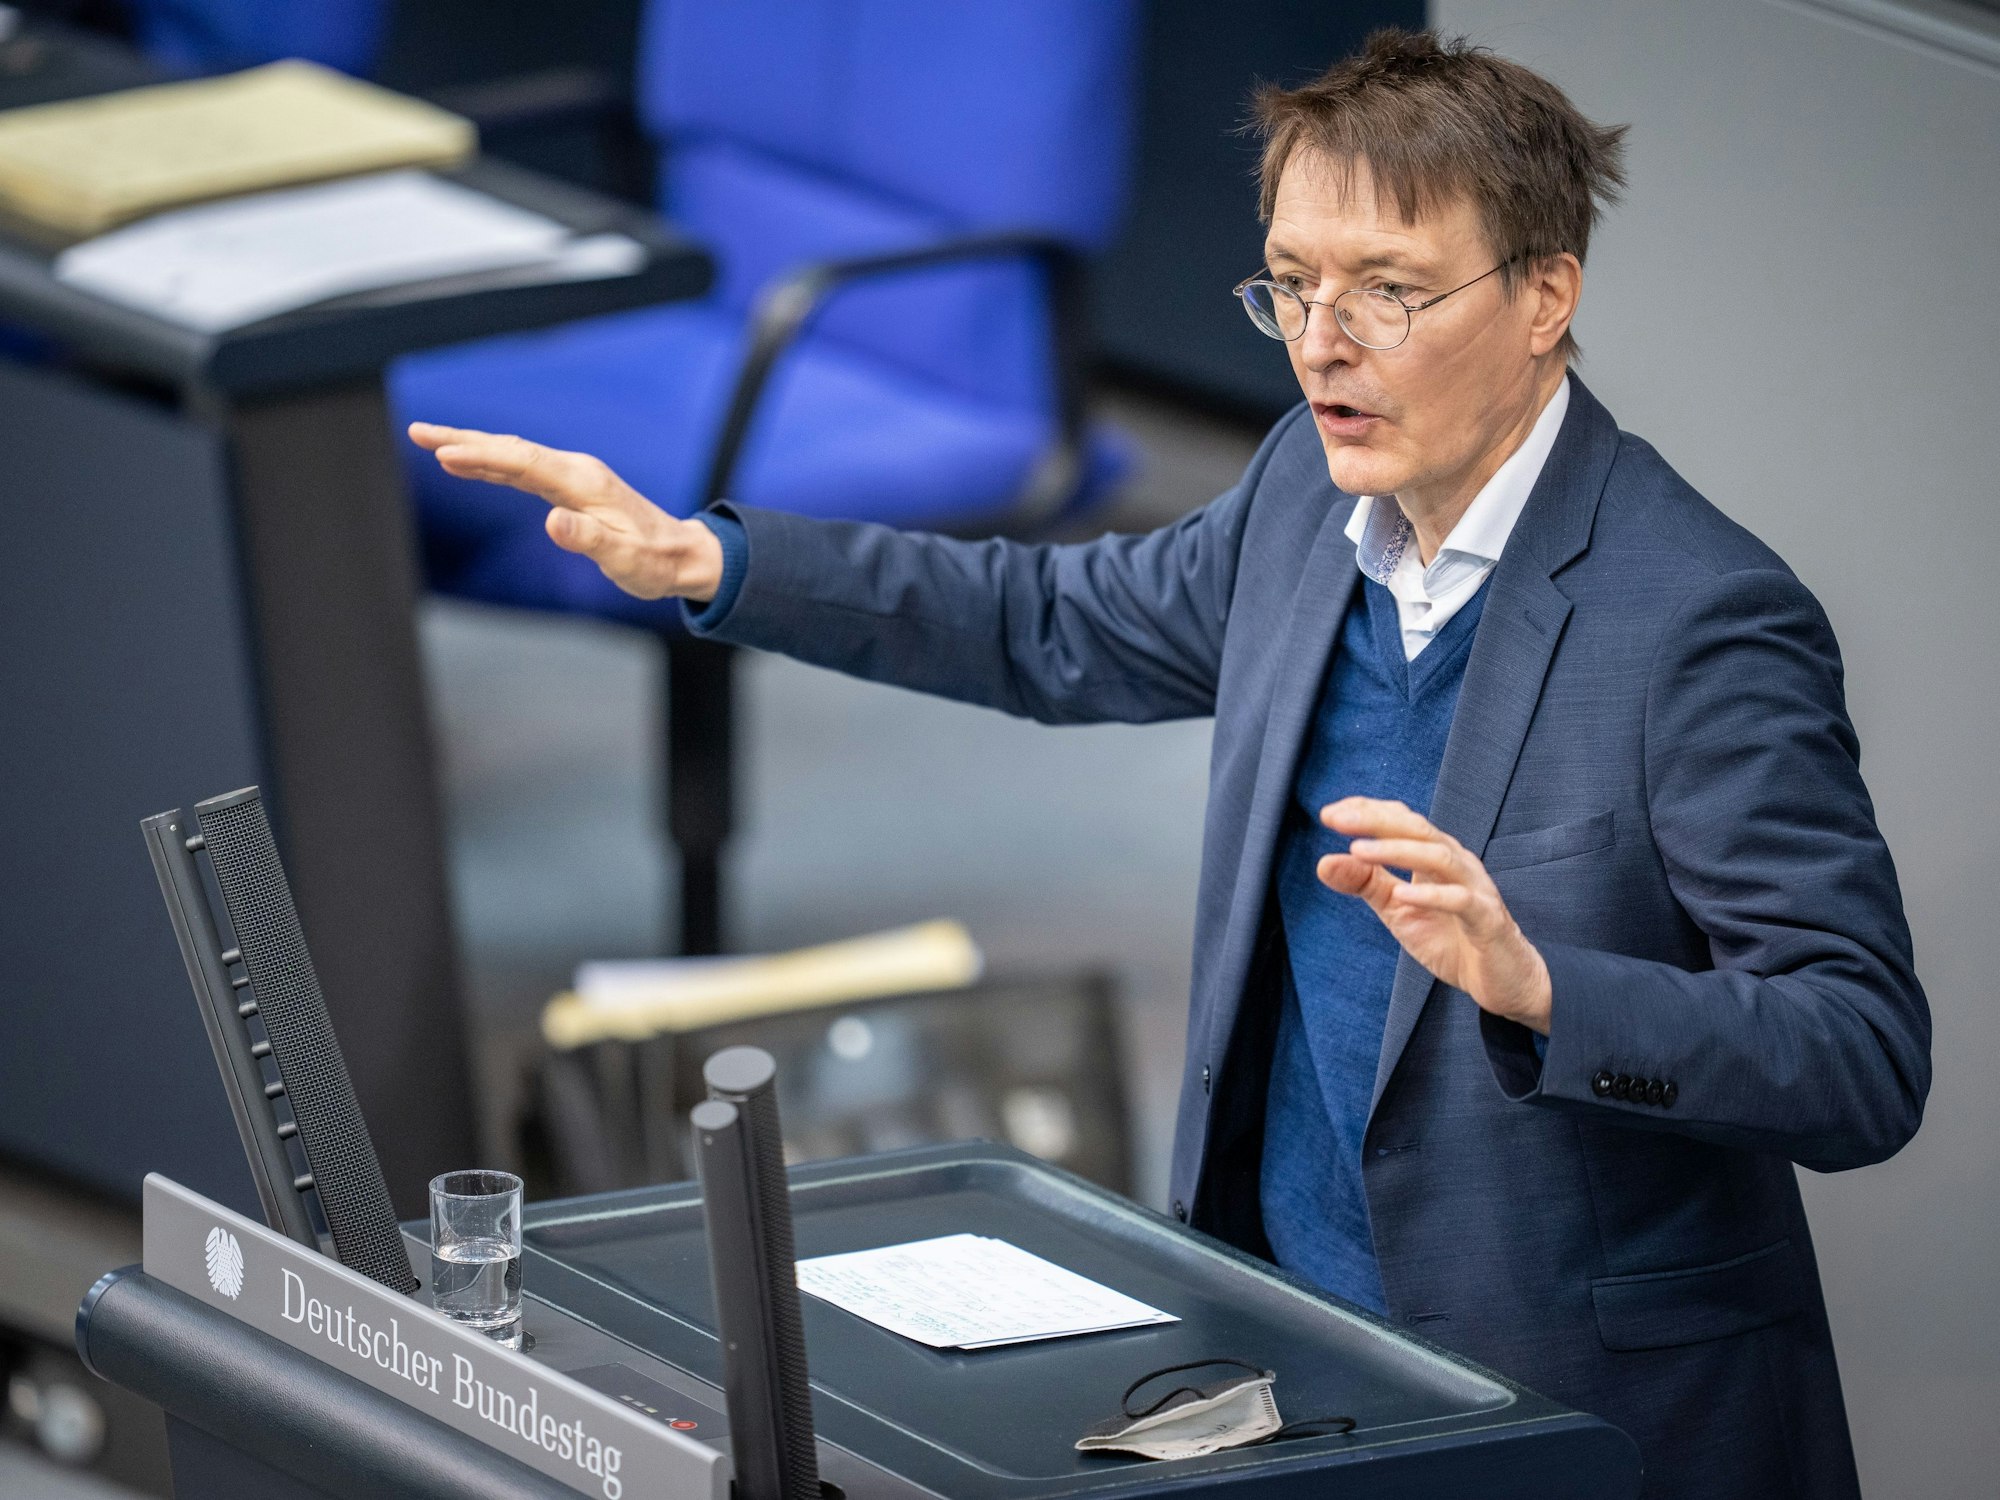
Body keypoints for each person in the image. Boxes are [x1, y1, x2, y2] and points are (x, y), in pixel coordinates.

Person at [409, 29, 1929, 1499]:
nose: (1323, 348)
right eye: (1291, 288)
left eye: (1389, 294)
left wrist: (1541, 987)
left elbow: (1859, 1057)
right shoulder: (1300, 496)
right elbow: (1045, 623)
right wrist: (708, 561)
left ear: (1545, 297)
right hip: (1293, 1335)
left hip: (1572, 1400)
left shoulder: (1700, 620)